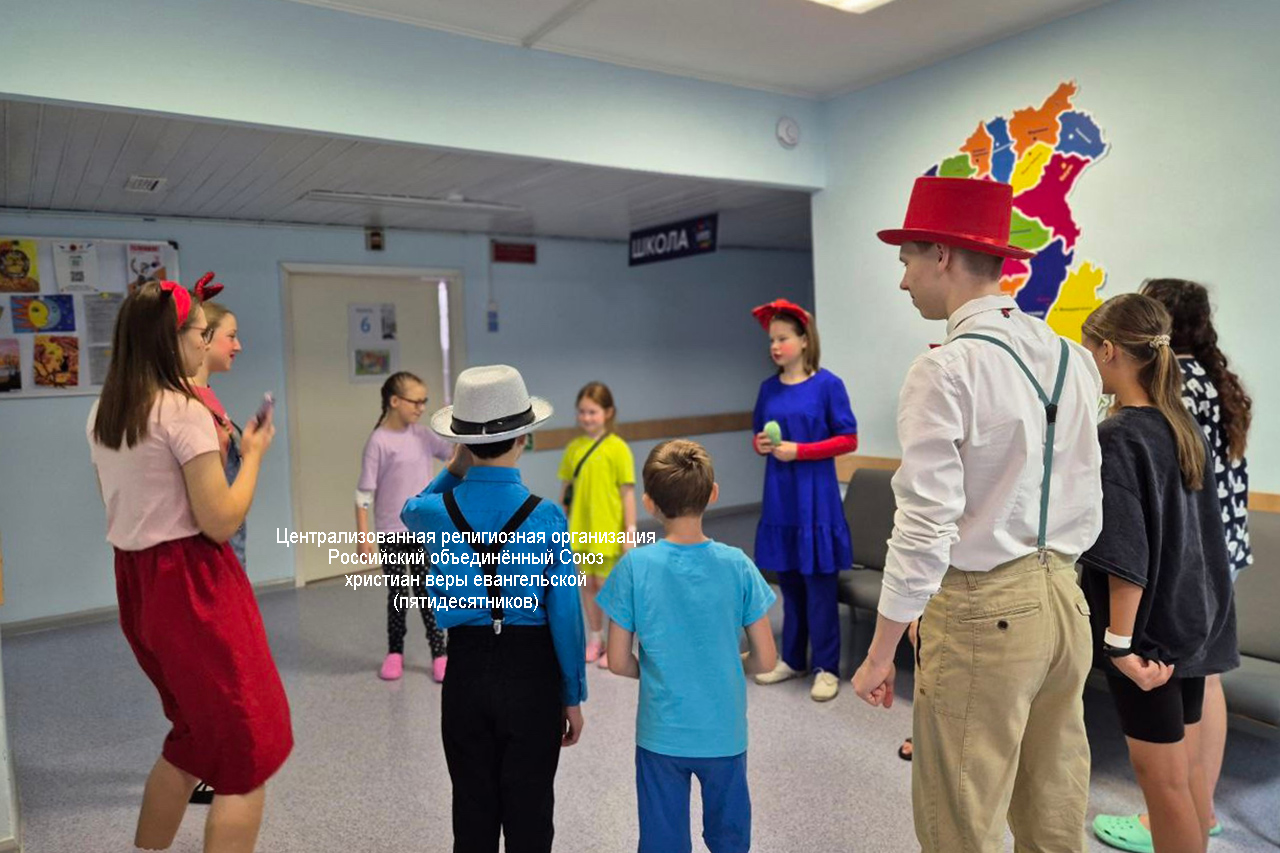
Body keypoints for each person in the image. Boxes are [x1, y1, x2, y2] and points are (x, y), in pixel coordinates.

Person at [853, 176, 1103, 852]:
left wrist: (880, 652)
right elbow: (1088, 487)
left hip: (983, 609)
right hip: (1065, 601)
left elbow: (924, 524)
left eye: (907, 259)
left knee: (962, 818)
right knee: (1053, 805)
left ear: (941, 254)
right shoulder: (1073, 358)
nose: (904, 279)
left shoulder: (945, 368)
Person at [87, 280, 292, 853]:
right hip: (195, 588)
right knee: (248, 755)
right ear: (171, 338)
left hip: (139, 585)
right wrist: (252, 456)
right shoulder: (183, 411)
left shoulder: (105, 412)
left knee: (193, 737)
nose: (207, 343)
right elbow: (220, 521)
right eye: (202, 333)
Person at [1086, 279, 1256, 850]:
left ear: (1109, 350)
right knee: (1179, 780)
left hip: (1147, 639)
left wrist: (1120, 647)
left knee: (1161, 785)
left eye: (1089, 350)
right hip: (1188, 621)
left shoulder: (1120, 437)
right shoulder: (1181, 426)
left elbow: (1126, 556)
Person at [400, 364, 586, 853]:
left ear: (462, 442)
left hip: (465, 672)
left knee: (472, 811)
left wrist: (457, 465)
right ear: (524, 437)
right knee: (531, 815)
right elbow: (566, 615)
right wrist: (572, 694)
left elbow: (409, 507)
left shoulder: (433, 513)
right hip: (532, 676)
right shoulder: (547, 515)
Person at [600, 439, 776, 853]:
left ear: (649, 503)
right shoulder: (738, 565)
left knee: (663, 841)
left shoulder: (634, 567)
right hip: (724, 732)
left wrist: (657, 671)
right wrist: (729, 665)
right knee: (729, 838)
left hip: (661, 733)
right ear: (713, 494)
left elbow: (618, 661)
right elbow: (767, 659)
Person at [749, 298, 858, 702]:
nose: (775, 346)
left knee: (820, 588)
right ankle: (793, 659)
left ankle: (827, 668)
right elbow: (757, 434)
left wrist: (802, 450)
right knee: (790, 586)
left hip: (817, 499)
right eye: (771, 340)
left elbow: (848, 439)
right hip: (781, 498)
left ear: (805, 340)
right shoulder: (768, 389)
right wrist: (761, 445)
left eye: (783, 338)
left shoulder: (828, 385)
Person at [357, 370, 453, 682]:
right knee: (397, 594)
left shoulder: (423, 436)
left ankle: (440, 653)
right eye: (416, 401)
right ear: (395, 401)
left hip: (424, 532)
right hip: (391, 534)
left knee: (428, 593)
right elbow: (364, 494)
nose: (421, 407)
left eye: (425, 401)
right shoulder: (378, 441)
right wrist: (363, 535)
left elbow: (452, 455)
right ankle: (395, 653)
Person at [558, 381, 637, 669]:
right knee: (587, 584)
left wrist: (630, 531)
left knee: (608, 586)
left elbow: (627, 494)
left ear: (608, 412)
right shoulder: (573, 448)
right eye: (582, 411)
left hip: (607, 529)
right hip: (580, 529)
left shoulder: (618, 449)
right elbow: (566, 490)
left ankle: (617, 646)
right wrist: (559, 524)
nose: (586, 417)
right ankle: (595, 638)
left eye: (592, 411)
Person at [188, 273, 248, 569]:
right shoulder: (186, 403)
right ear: (204, 338)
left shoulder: (207, 393)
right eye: (231, 336)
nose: (238, 346)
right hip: (213, 542)